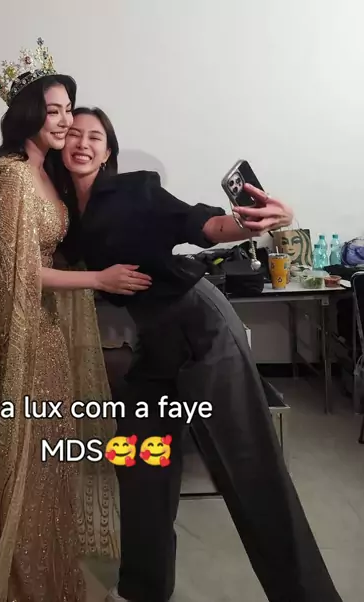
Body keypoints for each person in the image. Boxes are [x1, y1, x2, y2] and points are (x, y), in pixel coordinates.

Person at [57, 107, 343, 602]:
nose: (83, 143)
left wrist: (252, 224)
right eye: (74, 134)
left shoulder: (134, 190)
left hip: (201, 326)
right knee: (140, 461)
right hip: (154, 343)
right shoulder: (65, 213)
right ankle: (142, 590)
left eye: (95, 137)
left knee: (250, 468)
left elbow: (202, 224)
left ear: (107, 153)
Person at [0, 43, 152, 602]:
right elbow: (19, 271)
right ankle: (20, 575)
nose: (64, 120)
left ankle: (44, 560)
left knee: (49, 448)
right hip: (11, 330)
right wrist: (101, 280)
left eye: (68, 109)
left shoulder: (46, 172)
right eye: (54, 110)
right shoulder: (11, 174)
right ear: (28, 113)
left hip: (44, 324)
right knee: (23, 448)